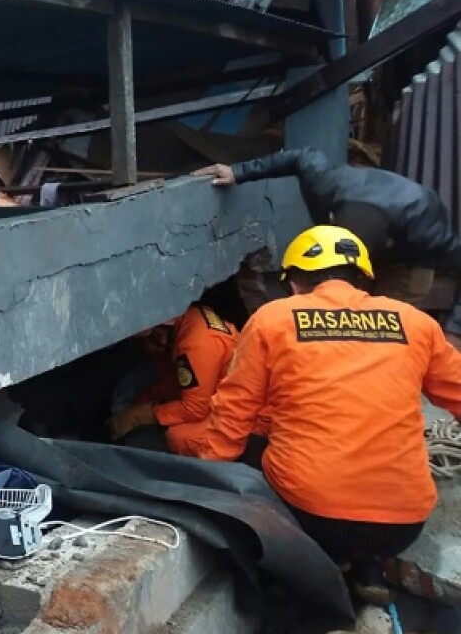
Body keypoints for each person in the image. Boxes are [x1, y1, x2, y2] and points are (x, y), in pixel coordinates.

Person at [188, 225, 461, 601]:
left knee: (250, 448)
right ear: (364, 279)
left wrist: (208, 479)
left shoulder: (274, 319)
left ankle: (315, 562)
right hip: (403, 523)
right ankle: (368, 567)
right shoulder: (416, 323)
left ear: (295, 283)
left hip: (314, 516)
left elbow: (234, 410)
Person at [195, 148, 461, 348]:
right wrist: (238, 172)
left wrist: (455, 329)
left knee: (380, 331)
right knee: (337, 316)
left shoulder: (426, 230)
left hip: (405, 264)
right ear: (331, 218)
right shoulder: (326, 184)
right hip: (364, 223)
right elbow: (299, 156)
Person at [107, 303, 239, 456]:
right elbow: (176, 383)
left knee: (177, 438)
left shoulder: (197, 343)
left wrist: (137, 417)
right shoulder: (187, 322)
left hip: (242, 416)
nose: (146, 347)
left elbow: (195, 408)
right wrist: (140, 402)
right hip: (219, 396)